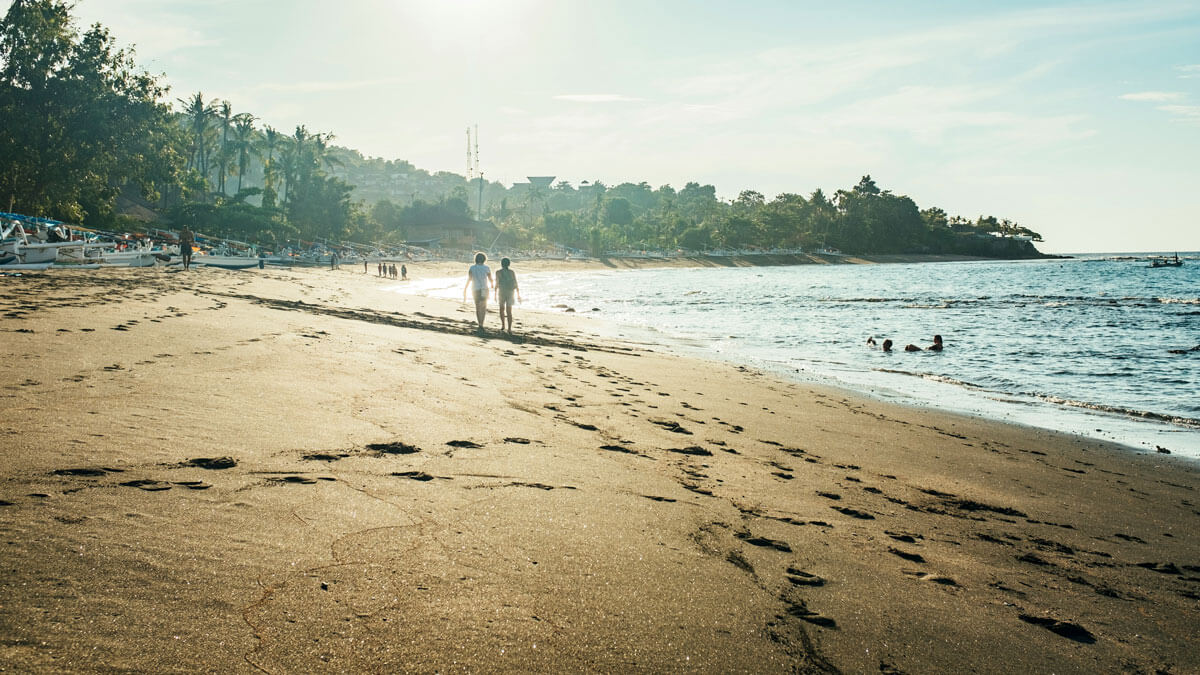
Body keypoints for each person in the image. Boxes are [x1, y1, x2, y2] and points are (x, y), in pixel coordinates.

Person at [463, 252, 493, 330]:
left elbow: (469, 279)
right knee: (483, 307)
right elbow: (490, 279)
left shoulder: (472, 268)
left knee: (477, 307)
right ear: (484, 259)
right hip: (484, 289)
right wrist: (492, 285)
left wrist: (465, 288)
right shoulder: (487, 268)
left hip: (475, 289)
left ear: (476, 259)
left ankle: (479, 323)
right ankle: (482, 323)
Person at [494, 257, 521, 333]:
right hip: (510, 292)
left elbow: (497, 283)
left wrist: (495, 293)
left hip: (502, 292)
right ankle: (509, 328)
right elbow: (515, 283)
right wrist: (518, 294)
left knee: (501, 309)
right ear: (509, 264)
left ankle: (503, 325)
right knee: (509, 311)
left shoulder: (498, 272)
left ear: (501, 264)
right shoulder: (512, 272)